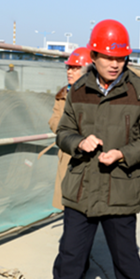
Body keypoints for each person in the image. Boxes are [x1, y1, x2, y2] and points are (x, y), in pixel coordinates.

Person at [43, 19, 140, 279]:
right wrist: (78, 142)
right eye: (108, 57)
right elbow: (63, 131)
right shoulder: (78, 90)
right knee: (69, 260)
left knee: (124, 255)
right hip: (81, 188)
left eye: (120, 57)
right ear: (94, 56)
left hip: (120, 188)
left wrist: (123, 154)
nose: (115, 64)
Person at [48, 47, 92, 210]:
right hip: (68, 153)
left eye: (75, 68)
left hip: (89, 155)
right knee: (68, 203)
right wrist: (67, 131)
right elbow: (54, 120)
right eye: (69, 67)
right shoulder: (62, 95)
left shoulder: (95, 95)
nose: (69, 71)